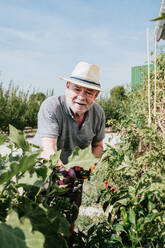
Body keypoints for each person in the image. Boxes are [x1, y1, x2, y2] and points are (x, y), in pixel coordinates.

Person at [33, 61, 105, 234]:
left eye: (89, 92)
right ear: (67, 86)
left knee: (69, 218)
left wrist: (89, 167)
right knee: (41, 221)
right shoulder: (52, 107)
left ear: (95, 96)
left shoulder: (98, 114)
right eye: (77, 89)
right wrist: (62, 172)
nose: (81, 96)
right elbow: (48, 149)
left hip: (74, 175)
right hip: (44, 172)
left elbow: (98, 145)